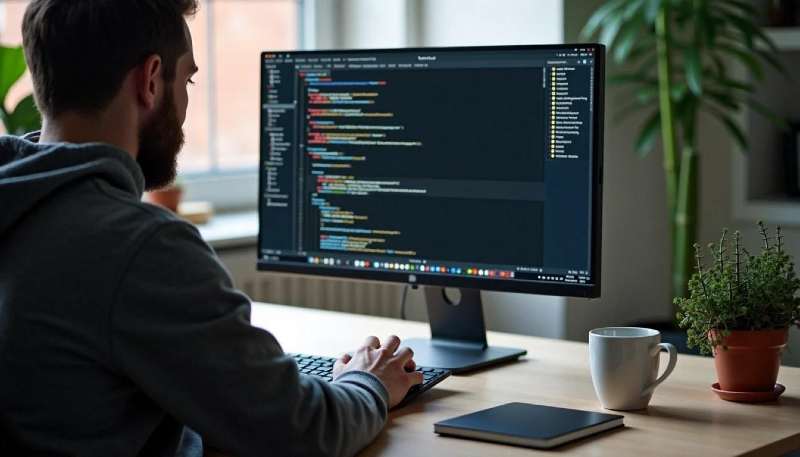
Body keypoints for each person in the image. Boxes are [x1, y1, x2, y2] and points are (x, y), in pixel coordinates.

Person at [0, 1, 423, 456]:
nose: (185, 105)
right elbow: (302, 431)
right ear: (150, 80)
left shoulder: (21, 205)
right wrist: (368, 382)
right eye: (188, 80)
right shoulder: (137, 246)